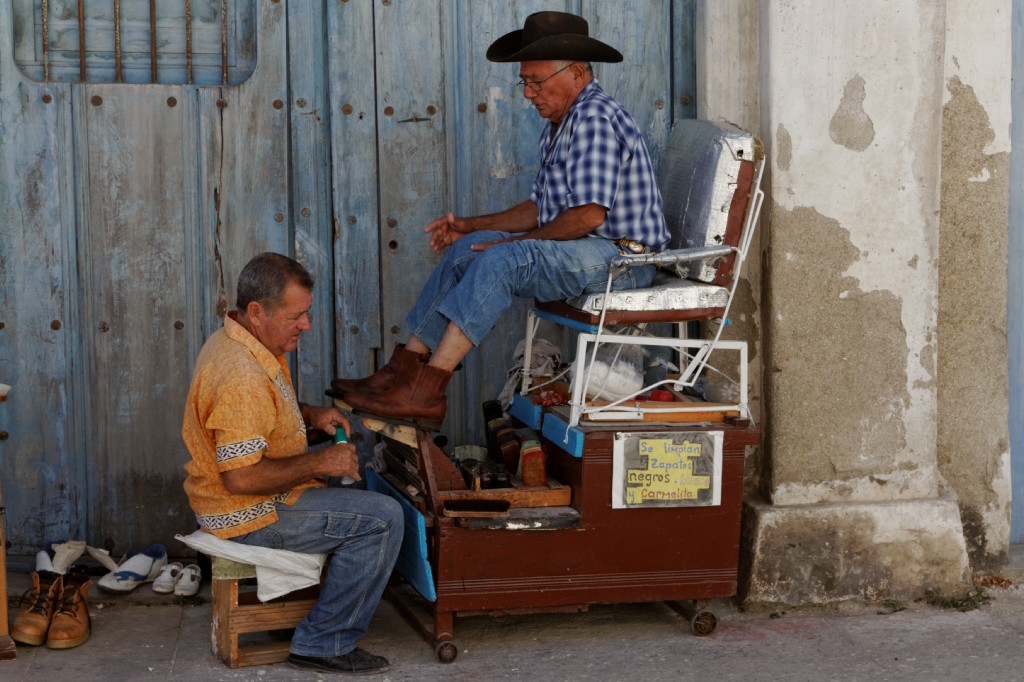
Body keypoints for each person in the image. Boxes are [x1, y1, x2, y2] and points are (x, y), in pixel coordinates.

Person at [331, 11, 669, 429]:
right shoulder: (561, 121)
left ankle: (425, 395)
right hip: (591, 250)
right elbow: (541, 209)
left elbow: (587, 216)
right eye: (523, 81)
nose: (528, 93)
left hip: (623, 260)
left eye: (536, 81)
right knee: (465, 252)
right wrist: (470, 227)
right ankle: (401, 375)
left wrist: (513, 246)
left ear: (577, 73)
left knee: (501, 261)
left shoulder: (593, 118)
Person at [182, 252, 402, 675]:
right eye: (295, 316)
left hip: (242, 500)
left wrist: (310, 415)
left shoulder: (239, 337)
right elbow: (242, 477)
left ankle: (307, 616)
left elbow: (264, 411)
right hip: (245, 516)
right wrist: (322, 459)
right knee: (385, 518)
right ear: (257, 311)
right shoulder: (242, 375)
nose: (306, 325)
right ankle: (323, 642)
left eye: (306, 313)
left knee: (361, 488)